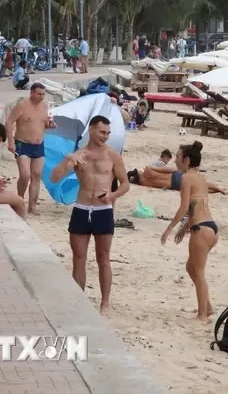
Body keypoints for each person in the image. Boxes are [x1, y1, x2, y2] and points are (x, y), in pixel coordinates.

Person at [49, 116, 129, 314]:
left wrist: (112, 195)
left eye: (108, 133)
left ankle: (105, 302)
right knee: (78, 258)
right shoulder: (79, 155)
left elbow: (126, 183)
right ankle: (79, 300)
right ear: (91, 130)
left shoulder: (112, 156)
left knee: (103, 258)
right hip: (82, 208)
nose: (105, 137)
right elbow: (54, 177)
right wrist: (68, 160)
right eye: (102, 132)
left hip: (103, 210)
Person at [160, 143, 227, 322]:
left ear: (186, 160)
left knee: (198, 271)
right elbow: (194, 205)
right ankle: (208, 307)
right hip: (210, 228)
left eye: (177, 156)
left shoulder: (186, 178)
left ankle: (202, 315)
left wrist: (168, 229)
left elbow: (183, 208)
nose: (175, 160)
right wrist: (184, 228)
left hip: (201, 229)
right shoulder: (199, 176)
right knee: (191, 268)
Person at [6, 83, 53, 215]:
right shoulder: (22, 105)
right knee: (25, 175)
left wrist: (50, 125)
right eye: (39, 94)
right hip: (23, 143)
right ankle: (19, 201)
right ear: (32, 93)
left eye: (43, 94)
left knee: (36, 175)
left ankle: (32, 207)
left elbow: (43, 123)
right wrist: (10, 142)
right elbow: (9, 122)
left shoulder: (44, 106)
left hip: (39, 145)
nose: (41, 97)